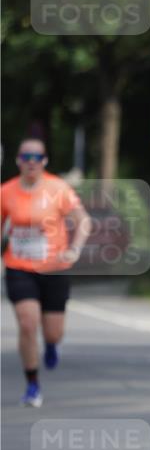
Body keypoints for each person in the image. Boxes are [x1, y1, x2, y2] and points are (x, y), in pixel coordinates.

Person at [1, 139, 91, 407]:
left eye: (37, 157)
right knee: (27, 324)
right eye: (26, 156)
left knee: (53, 332)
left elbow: (83, 221)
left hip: (54, 267)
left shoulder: (58, 188)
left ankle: (51, 345)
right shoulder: (6, 192)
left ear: (45, 161)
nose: (31, 161)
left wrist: (74, 249)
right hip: (19, 267)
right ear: (18, 160)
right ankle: (32, 384)